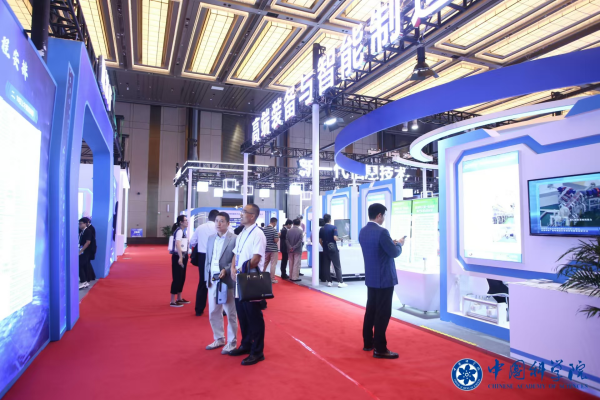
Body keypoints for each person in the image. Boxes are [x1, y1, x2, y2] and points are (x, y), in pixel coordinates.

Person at [359, 203, 404, 359]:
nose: (384, 218)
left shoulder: (363, 231)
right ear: (379, 215)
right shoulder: (382, 232)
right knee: (383, 313)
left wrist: (391, 242)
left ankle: (368, 342)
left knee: (371, 310)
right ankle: (380, 348)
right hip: (384, 278)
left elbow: (377, 249)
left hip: (371, 277)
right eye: (383, 215)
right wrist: (399, 245)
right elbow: (393, 253)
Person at [229, 204, 267, 366]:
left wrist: (239, 269)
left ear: (252, 216)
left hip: (251, 280)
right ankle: (246, 344)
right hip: (240, 278)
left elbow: (256, 259)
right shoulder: (242, 232)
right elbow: (235, 254)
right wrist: (232, 268)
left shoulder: (258, 234)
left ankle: (257, 351)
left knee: (254, 316)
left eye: (244, 212)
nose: (241, 214)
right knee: (242, 315)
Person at [204, 212, 238, 354]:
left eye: (222, 221)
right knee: (213, 311)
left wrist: (226, 269)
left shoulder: (234, 239)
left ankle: (232, 342)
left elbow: (236, 259)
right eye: (217, 221)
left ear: (228, 223)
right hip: (213, 280)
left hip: (227, 280)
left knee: (230, 312)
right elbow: (208, 259)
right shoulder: (211, 238)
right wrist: (206, 278)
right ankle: (219, 338)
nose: (218, 224)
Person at [190, 209, 219, 316]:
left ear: (208, 217)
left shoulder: (200, 227)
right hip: (215, 256)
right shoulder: (218, 227)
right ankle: (219, 308)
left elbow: (192, 242)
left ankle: (199, 309)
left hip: (202, 256)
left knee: (202, 282)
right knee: (217, 281)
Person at [319, 214, 346, 288]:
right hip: (333, 249)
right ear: (330, 220)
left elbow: (320, 240)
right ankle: (340, 282)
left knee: (326, 266)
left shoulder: (321, 229)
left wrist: (324, 246)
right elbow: (335, 238)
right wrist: (340, 239)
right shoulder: (334, 227)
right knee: (337, 266)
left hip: (325, 250)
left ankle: (329, 282)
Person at [170, 215, 190, 307]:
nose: (187, 222)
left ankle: (179, 297)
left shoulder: (182, 231)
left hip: (182, 256)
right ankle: (172, 300)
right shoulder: (179, 231)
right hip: (178, 256)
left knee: (182, 277)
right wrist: (180, 257)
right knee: (177, 278)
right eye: (185, 220)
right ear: (181, 222)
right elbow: (178, 244)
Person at [262, 217, 279, 284]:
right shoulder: (274, 230)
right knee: (273, 264)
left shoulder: (264, 229)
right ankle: (272, 279)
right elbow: (276, 240)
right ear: (274, 222)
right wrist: (278, 236)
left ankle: (261, 276)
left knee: (264, 263)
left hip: (266, 249)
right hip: (273, 249)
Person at [78, 218, 93, 289]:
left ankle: (83, 281)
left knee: (79, 265)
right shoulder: (82, 231)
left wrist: (81, 251)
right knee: (83, 266)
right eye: (79, 224)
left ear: (85, 223)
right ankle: (85, 281)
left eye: (81, 224)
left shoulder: (88, 231)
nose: (79, 225)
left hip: (85, 252)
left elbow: (88, 242)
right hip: (82, 251)